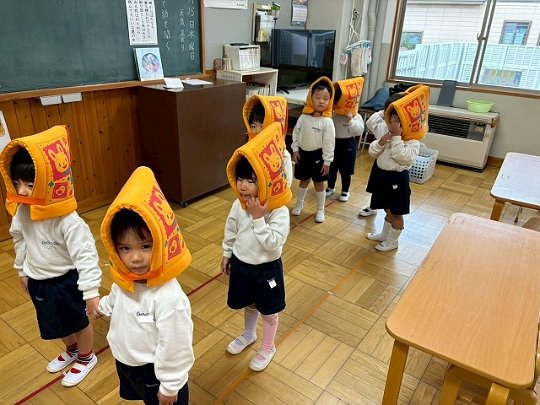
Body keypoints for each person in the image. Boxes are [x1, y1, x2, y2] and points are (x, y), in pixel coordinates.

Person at [0, 126, 101, 387]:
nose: (22, 191)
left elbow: (86, 256)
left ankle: (87, 356)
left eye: (29, 184)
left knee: (78, 321)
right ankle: (72, 350)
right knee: (55, 322)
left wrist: (91, 292)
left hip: (66, 280)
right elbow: (20, 238)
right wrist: (22, 270)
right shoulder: (23, 210)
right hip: (39, 281)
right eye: (17, 184)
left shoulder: (68, 221)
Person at [97, 166, 194, 405]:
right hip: (128, 362)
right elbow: (117, 298)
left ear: (161, 243)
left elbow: (175, 346)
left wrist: (170, 386)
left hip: (155, 371)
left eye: (145, 246)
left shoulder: (169, 298)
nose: (135, 258)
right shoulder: (125, 278)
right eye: (125, 248)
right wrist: (103, 306)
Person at [221, 137, 290, 372]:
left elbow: (273, 244)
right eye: (240, 179)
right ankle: (249, 334)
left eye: (251, 181)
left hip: (266, 270)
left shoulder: (278, 210)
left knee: (269, 309)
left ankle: (268, 346)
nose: (243, 186)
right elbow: (231, 229)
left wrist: (258, 218)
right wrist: (227, 253)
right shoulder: (239, 204)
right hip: (242, 265)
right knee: (249, 304)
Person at [365, 85, 429, 251]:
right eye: (390, 120)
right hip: (382, 176)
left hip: (397, 180)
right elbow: (372, 151)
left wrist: (396, 138)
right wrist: (380, 142)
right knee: (386, 208)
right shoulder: (386, 131)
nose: (393, 125)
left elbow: (403, 157)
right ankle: (384, 234)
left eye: (397, 122)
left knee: (396, 212)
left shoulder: (412, 140)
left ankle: (393, 241)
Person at [290, 76, 336, 223]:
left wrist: (327, 161)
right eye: (318, 97)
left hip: (318, 156)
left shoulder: (327, 122)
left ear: (330, 101)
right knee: (303, 181)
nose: (321, 101)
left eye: (325, 98)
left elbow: (329, 143)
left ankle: (320, 210)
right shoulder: (303, 118)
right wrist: (295, 149)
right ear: (311, 98)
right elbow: (296, 133)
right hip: (303, 154)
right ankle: (299, 205)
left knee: (319, 183)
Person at [326, 78, 365, 202]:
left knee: (346, 170)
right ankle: (330, 187)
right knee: (332, 167)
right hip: (334, 142)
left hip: (348, 143)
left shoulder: (356, 115)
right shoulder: (334, 114)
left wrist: (350, 120)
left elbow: (359, 131)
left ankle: (345, 191)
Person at [243, 95, 293, 187]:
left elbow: (287, 184)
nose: (257, 131)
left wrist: (281, 170)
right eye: (253, 126)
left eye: (262, 126)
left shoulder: (283, 155)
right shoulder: (247, 150)